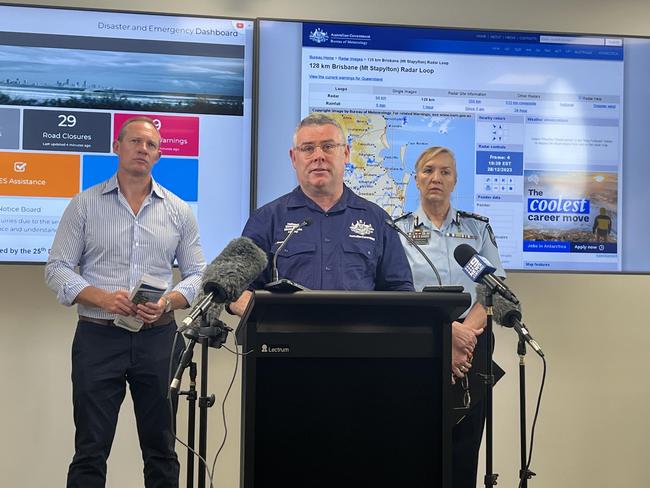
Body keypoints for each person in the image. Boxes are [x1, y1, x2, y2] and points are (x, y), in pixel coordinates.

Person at [45, 116, 206, 488]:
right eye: (135, 141)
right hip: (99, 337)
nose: (142, 150)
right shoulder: (84, 205)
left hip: (159, 338)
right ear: (117, 147)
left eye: (151, 145)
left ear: (159, 154)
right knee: (90, 449)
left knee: (162, 449)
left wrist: (168, 302)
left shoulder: (179, 210)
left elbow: (199, 274)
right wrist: (100, 296)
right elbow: (57, 268)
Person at [395, 146, 506, 488]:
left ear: (455, 180)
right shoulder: (396, 231)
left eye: (444, 172)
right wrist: (446, 335)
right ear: (416, 179)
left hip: (472, 343)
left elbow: (492, 288)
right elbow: (394, 288)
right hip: (419, 342)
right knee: (413, 445)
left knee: (465, 446)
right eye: (428, 171)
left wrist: (465, 334)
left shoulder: (477, 230)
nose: (436, 178)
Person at [228, 113, 413, 316]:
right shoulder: (266, 219)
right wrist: (261, 314)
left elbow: (400, 291)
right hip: (288, 341)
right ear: (293, 158)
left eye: (328, 146)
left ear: (346, 153)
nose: (319, 156)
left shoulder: (378, 220)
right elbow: (236, 288)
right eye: (307, 148)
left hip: (359, 343)